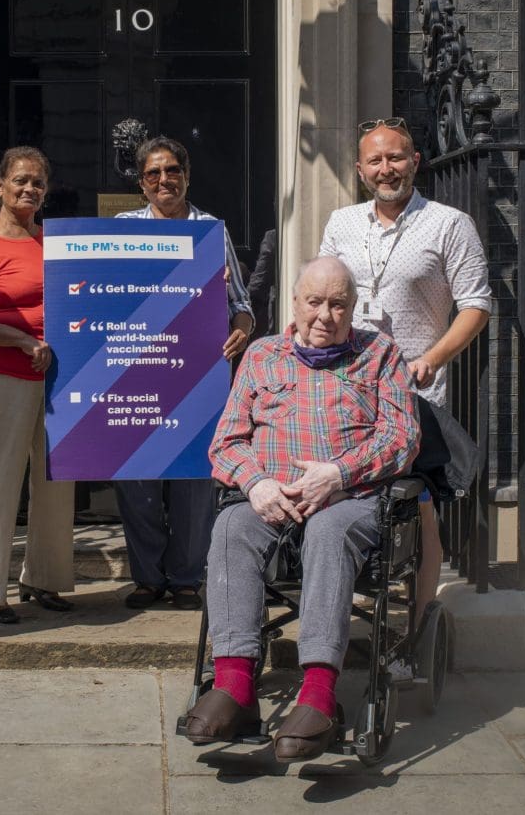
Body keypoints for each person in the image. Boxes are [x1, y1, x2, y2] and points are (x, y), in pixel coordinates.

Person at [182, 257, 421, 762]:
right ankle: (234, 687)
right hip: (272, 497)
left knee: (329, 532)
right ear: (294, 303)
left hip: (347, 498)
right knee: (231, 527)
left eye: (338, 304)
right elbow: (225, 443)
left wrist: (338, 473)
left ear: (354, 308)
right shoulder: (262, 355)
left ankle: (318, 694)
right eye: (315, 302)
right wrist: (257, 483)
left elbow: (403, 436)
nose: (325, 315)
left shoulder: (380, 354)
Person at [318, 118, 491, 627]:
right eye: (375, 160)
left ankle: (414, 625)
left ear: (415, 161)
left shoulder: (448, 223)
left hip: (412, 393)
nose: (386, 168)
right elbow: (326, 291)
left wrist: (431, 358)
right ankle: (340, 609)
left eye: (395, 157)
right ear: (360, 170)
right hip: (345, 389)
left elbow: (476, 306)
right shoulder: (341, 223)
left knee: (417, 508)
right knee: (339, 494)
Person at [112, 136, 255, 611]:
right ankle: (148, 578)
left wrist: (240, 332)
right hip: (134, 371)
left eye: (172, 171)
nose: (163, 180)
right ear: (141, 184)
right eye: (153, 174)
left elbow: (242, 306)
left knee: (195, 477)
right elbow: (104, 296)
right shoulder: (122, 229)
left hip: (197, 374)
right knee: (136, 477)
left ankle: (187, 579)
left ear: (187, 176)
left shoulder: (211, 230)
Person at [0, 146, 75, 625]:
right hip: (0, 376)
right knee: (0, 481)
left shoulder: (52, 240)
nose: (30, 189)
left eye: (38, 183)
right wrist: (22, 340)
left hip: (56, 377)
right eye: (21, 180)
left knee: (56, 480)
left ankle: (42, 578)